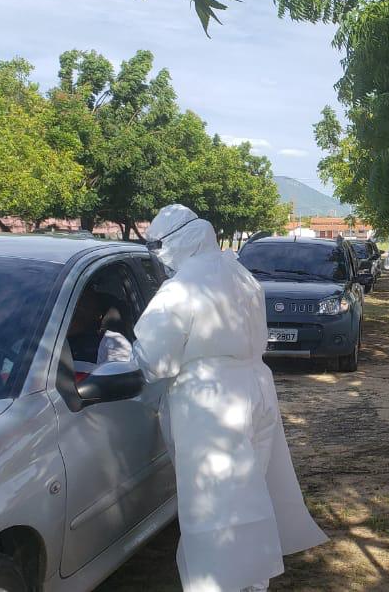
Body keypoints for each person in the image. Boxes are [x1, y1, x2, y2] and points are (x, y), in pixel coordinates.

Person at [132, 204, 327, 591]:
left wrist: (119, 351)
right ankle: (252, 581)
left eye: (160, 244)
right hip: (256, 391)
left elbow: (155, 360)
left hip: (210, 403)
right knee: (250, 493)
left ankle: (215, 583)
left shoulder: (181, 288)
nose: (159, 254)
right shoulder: (240, 275)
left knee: (212, 506)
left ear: (178, 242)